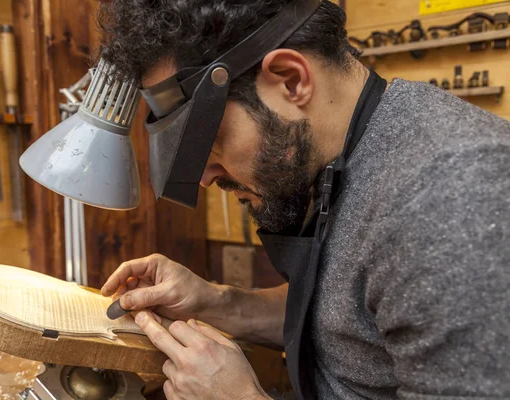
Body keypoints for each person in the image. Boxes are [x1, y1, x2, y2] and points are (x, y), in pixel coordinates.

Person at [98, 1, 510, 399]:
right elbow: (353, 322)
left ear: (291, 79)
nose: (205, 177)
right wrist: (219, 303)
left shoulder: (454, 199)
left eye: (209, 140)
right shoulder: (345, 153)